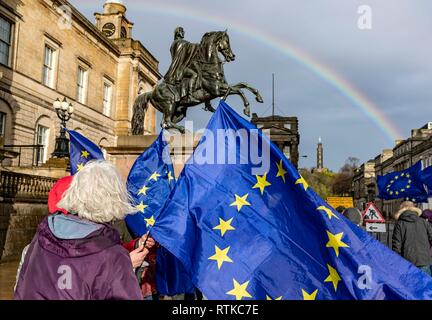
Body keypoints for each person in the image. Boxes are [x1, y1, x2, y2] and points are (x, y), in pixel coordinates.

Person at [14, 160, 147, 300]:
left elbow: (22, 290)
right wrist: (126, 267)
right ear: (115, 199)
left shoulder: (41, 238)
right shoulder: (113, 255)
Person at [392, 201, 432, 276]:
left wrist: (397, 262)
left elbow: (396, 245)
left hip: (407, 261)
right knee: (426, 285)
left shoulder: (399, 224)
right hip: (424, 260)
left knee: (411, 286)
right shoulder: (423, 221)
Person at [164, 26, 199, 101]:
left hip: (179, 67)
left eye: (183, 31)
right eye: (182, 31)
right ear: (178, 33)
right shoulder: (179, 42)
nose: (183, 33)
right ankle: (190, 96)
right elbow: (190, 47)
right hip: (179, 69)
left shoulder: (174, 44)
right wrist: (199, 46)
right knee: (194, 74)